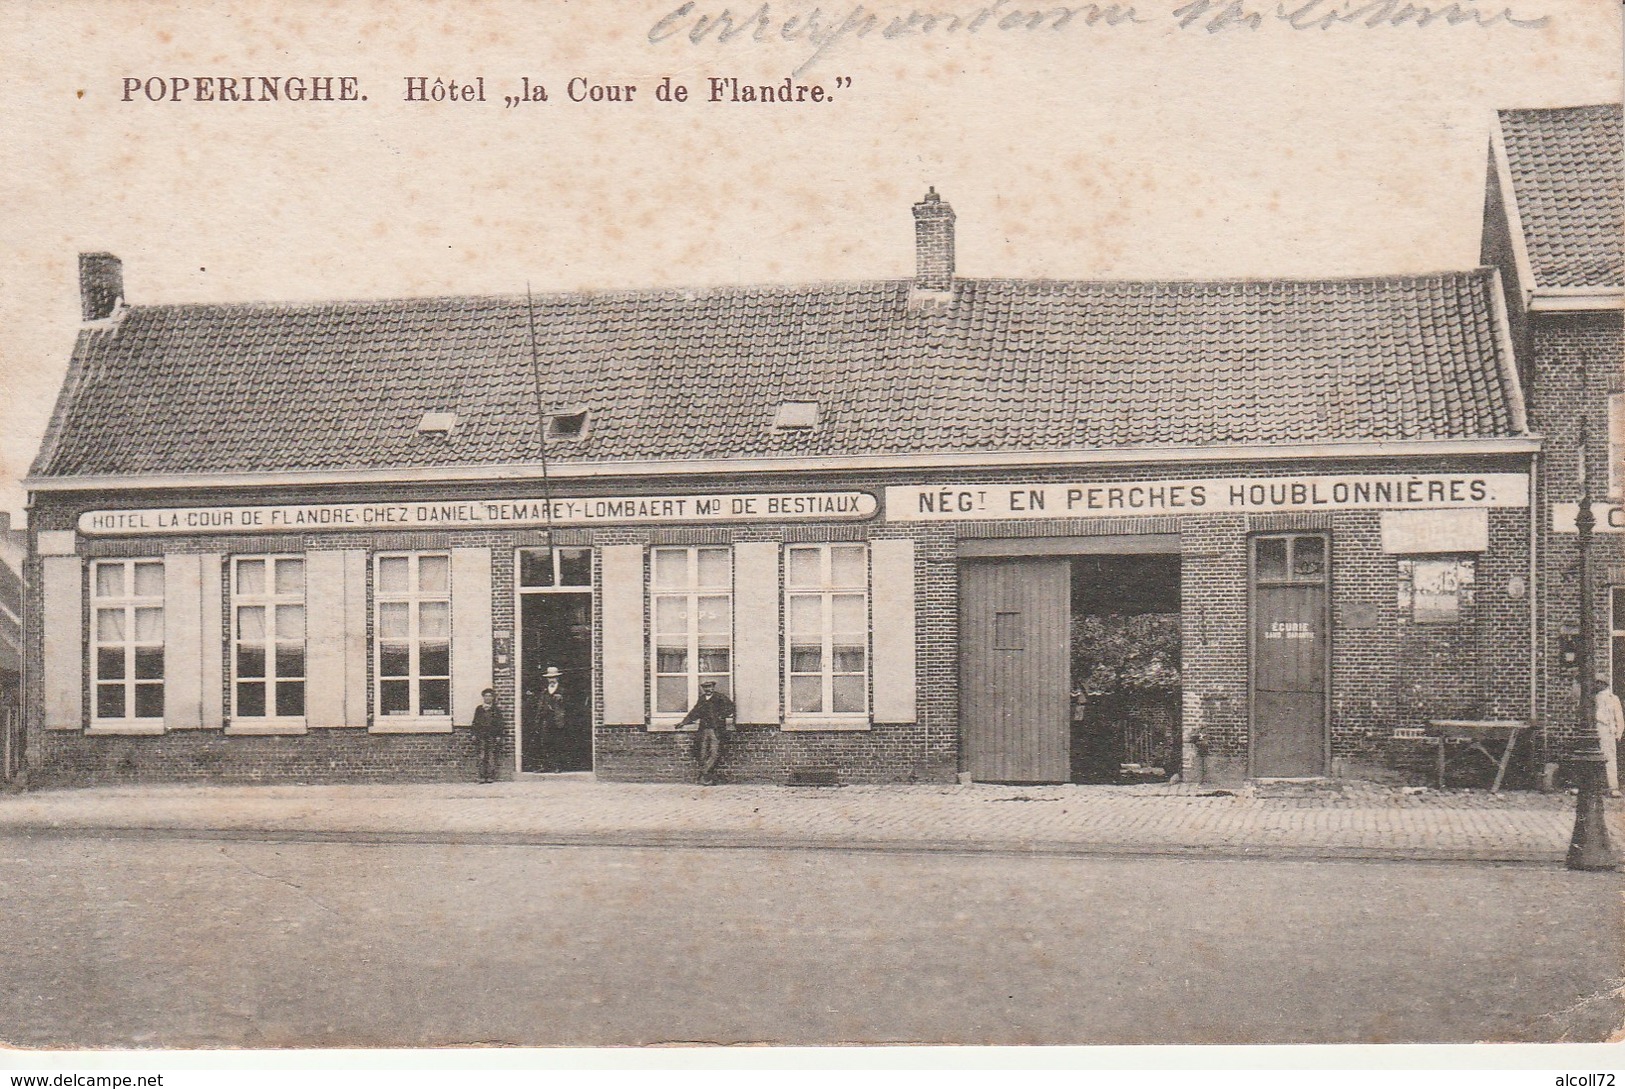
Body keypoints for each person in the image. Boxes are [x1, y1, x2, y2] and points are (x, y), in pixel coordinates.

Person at [678, 680, 735, 786]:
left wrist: (721, 716)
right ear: (703, 689)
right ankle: (706, 777)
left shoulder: (720, 698)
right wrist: (683, 722)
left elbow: (731, 708)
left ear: (713, 687)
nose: (708, 689)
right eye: (706, 687)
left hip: (716, 729)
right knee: (703, 753)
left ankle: (704, 774)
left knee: (714, 752)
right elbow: (695, 712)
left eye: (710, 687)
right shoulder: (702, 699)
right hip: (704, 729)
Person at [1595, 675, 1624, 797]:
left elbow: (1619, 717)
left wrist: (1619, 733)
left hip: (1608, 731)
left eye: (1598, 683)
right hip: (1596, 730)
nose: (1596, 685)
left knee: (1610, 758)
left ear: (1603, 684)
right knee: (1594, 758)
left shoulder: (1613, 698)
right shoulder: (1593, 698)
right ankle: (1596, 786)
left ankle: (1612, 787)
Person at [534, 665, 567, 773]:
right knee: (544, 743)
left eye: (553, 677)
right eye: (549, 678)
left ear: (557, 678)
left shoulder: (563, 690)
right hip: (546, 720)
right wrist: (538, 718)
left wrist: (562, 699)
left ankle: (557, 766)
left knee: (557, 743)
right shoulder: (544, 691)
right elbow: (540, 705)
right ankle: (545, 765)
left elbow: (569, 705)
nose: (551, 679)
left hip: (557, 720)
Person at [471, 688, 503, 784]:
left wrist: (498, 735)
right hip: (481, 735)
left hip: (491, 735)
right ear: (483, 697)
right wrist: (474, 734)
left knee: (491, 756)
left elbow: (500, 724)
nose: (488, 698)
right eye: (486, 696)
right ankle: (481, 776)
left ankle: (490, 776)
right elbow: (475, 722)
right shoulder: (479, 709)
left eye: (490, 696)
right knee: (481, 756)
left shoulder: (496, 710)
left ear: (493, 698)